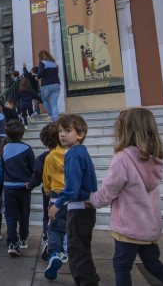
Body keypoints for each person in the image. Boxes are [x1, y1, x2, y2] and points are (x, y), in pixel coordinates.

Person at [89, 109, 163, 286]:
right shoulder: (154, 159)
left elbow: (109, 189)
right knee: (153, 264)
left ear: (125, 130)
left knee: (121, 265)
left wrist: (93, 200)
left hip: (128, 226)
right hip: (149, 225)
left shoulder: (123, 158)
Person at [48, 114, 99, 286]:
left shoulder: (73, 155)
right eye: (61, 130)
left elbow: (72, 186)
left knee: (77, 253)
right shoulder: (80, 152)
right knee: (82, 250)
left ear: (80, 134)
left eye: (68, 131)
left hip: (78, 209)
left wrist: (57, 203)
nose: (62, 134)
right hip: (87, 207)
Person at [0, 119, 34, 256]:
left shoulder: (5, 149)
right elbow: (33, 168)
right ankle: (23, 238)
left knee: (10, 215)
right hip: (24, 186)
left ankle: (12, 242)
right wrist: (32, 183)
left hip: (9, 187)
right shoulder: (27, 149)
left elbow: (1, 167)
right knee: (24, 213)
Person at [26, 123, 60, 258]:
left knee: (47, 216)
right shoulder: (67, 155)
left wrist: (30, 185)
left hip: (49, 192)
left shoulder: (42, 158)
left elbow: (37, 176)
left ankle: (47, 239)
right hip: (65, 193)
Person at [41, 120, 69, 281]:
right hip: (72, 196)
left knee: (55, 229)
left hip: (56, 196)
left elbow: (46, 179)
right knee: (69, 226)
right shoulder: (72, 153)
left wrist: (47, 193)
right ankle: (67, 250)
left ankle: (54, 254)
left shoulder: (50, 157)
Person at [37, 50, 61, 120]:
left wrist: (37, 77)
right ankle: (55, 119)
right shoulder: (55, 64)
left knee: (44, 100)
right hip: (56, 84)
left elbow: (40, 74)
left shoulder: (42, 63)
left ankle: (50, 115)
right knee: (54, 104)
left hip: (46, 85)